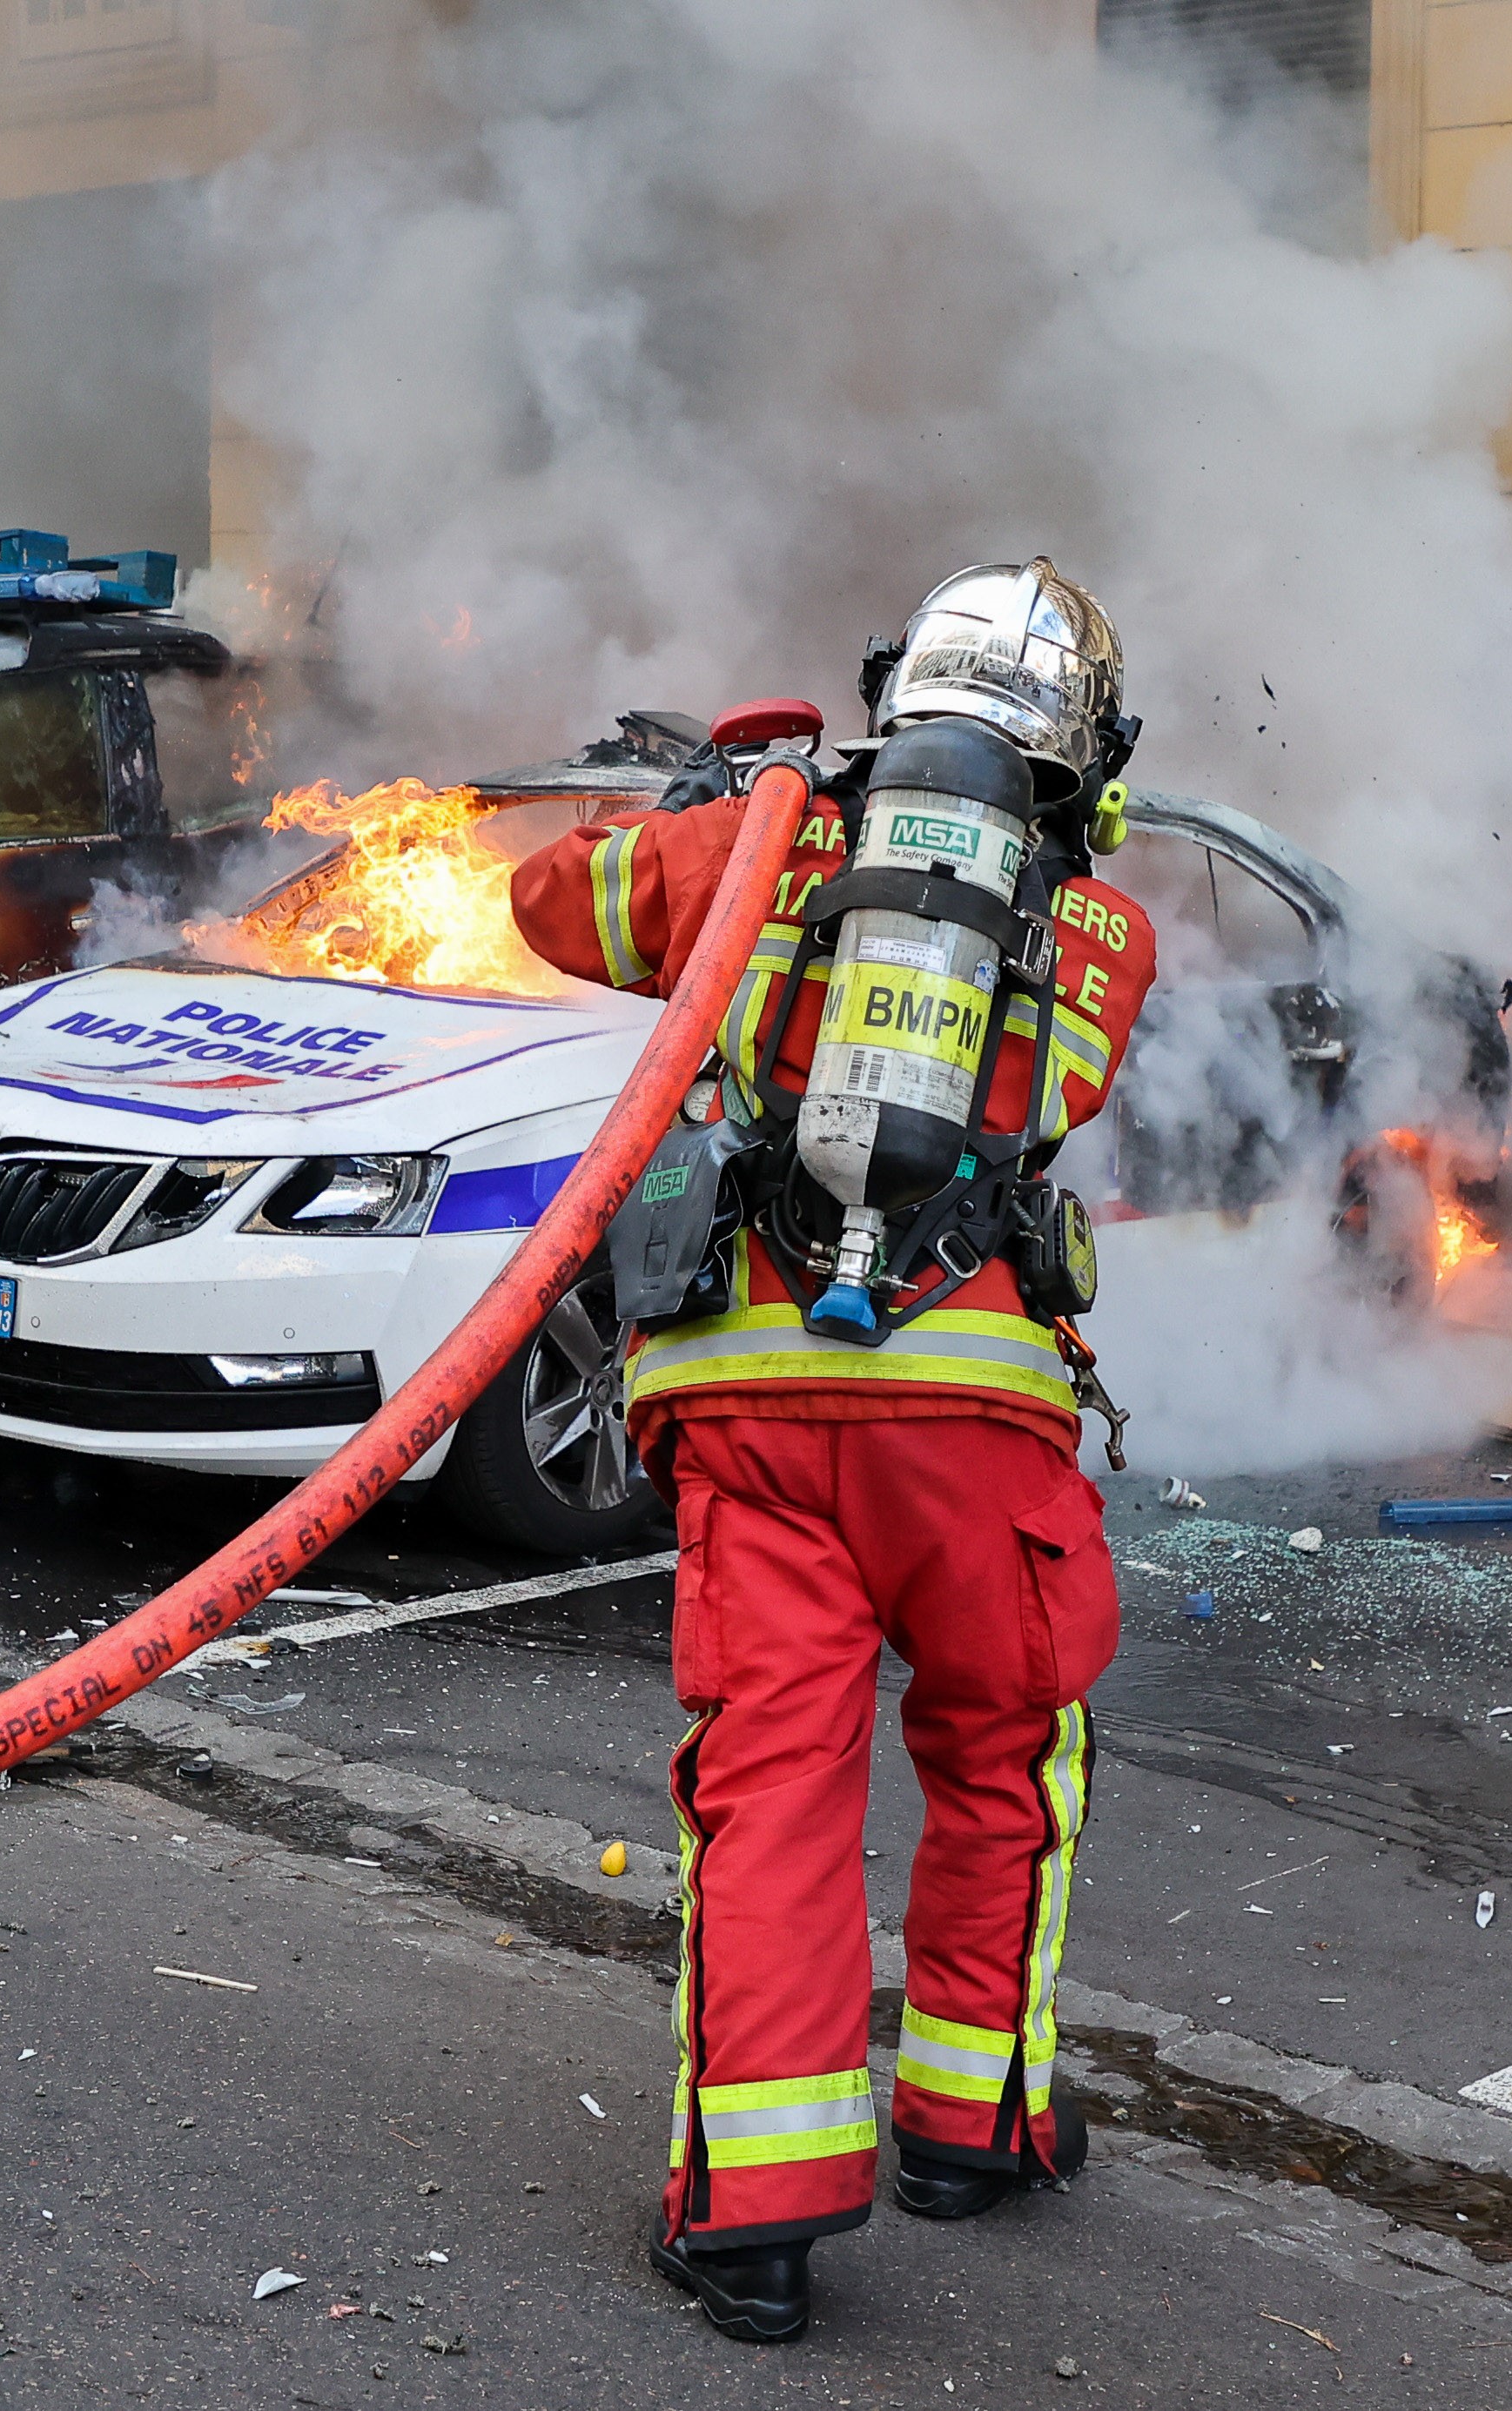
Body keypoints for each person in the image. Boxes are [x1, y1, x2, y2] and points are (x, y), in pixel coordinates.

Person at [507, 561, 1159, 2345]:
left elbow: (545, 904)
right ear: (1079, 755)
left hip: (749, 1414)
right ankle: (973, 2121)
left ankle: (756, 2217)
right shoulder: (1104, 932)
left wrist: (719, 808)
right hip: (980, 1429)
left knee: (772, 1790)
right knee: (1007, 1758)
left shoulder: (758, 850)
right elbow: (1060, 1092)